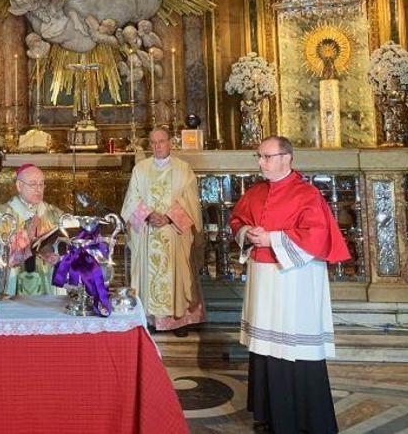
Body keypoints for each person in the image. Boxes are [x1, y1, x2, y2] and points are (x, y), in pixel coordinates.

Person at [230, 136, 350, 434]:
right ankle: (269, 415)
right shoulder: (255, 192)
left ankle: (304, 420)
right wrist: (247, 232)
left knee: (293, 347)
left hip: (295, 281)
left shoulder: (307, 194)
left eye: (267, 157)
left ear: (287, 158)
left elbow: (317, 235)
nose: (261, 162)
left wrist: (272, 238)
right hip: (263, 280)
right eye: (259, 156)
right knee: (266, 347)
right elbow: (236, 220)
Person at [121, 127, 204, 335]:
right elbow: (132, 198)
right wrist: (148, 215)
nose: (157, 146)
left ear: (170, 143)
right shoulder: (140, 169)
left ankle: (178, 320)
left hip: (173, 232)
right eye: (153, 142)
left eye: (161, 141)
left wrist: (168, 217)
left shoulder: (183, 169)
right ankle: (150, 318)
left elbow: (190, 200)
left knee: (178, 272)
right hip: (148, 231)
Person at [0, 164, 64, 295]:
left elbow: (68, 241)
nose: (38, 189)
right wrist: (27, 236)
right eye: (33, 184)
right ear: (19, 186)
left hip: (48, 283)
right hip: (15, 282)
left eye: (41, 184)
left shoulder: (54, 213)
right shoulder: (3, 214)